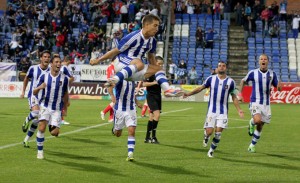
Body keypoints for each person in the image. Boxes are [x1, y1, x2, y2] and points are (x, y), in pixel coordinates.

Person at [90, 14, 182, 97]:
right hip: (121, 63)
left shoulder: (152, 41)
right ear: (146, 25)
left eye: (158, 26)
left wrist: (155, 71)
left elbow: (151, 57)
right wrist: (98, 60)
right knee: (140, 63)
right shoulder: (133, 37)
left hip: (134, 70)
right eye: (155, 25)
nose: (157, 29)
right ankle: (115, 79)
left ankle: (167, 90)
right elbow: (115, 51)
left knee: (158, 69)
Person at [183, 61, 244, 158]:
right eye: (219, 66)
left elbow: (234, 97)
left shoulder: (230, 82)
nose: (221, 67)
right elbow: (200, 88)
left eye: (223, 66)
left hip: (223, 112)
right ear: (217, 68)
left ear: (226, 68)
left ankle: (211, 151)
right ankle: (206, 136)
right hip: (212, 110)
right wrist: (188, 94)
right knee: (209, 132)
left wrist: (239, 109)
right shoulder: (211, 79)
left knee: (218, 133)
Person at [239, 54, 281, 153]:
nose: (263, 60)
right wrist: (240, 94)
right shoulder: (253, 73)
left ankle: (252, 145)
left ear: (268, 61)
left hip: (266, 104)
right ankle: (253, 122)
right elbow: (243, 81)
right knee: (258, 120)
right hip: (255, 102)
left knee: (260, 125)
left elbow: (278, 89)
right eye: (261, 59)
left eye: (265, 59)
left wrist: (279, 86)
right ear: (259, 62)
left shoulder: (272, 74)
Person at [33, 55, 70, 159]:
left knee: (54, 133)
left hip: (57, 109)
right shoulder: (44, 76)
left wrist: (65, 109)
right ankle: (40, 152)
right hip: (45, 106)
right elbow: (34, 91)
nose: (59, 64)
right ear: (51, 64)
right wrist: (40, 87)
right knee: (41, 128)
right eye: (56, 62)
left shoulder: (64, 78)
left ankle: (49, 122)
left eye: (60, 62)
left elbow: (66, 94)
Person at [20, 50, 51, 148]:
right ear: (41, 58)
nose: (46, 58)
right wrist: (23, 92)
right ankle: (26, 120)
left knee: (38, 121)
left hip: (44, 98)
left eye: (48, 57)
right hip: (33, 95)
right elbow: (26, 79)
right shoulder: (33, 68)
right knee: (36, 112)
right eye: (45, 56)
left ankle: (26, 140)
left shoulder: (51, 70)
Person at [110, 80, 142, 161]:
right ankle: (115, 128)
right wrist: (112, 96)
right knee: (118, 134)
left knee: (132, 131)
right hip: (119, 110)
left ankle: (130, 153)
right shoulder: (119, 78)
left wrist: (137, 102)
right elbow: (108, 85)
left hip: (131, 110)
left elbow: (131, 94)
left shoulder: (133, 79)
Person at [143, 56, 164, 144]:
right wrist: (154, 82)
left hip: (158, 95)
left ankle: (147, 138)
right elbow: (144, 84)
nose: (160, 65)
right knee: (157, 115)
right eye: (159, 64)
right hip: (151, 96)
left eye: (162, 64)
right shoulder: (150, 72)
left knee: (151, 117)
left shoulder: (161, 73)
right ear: (155, 63)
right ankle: (154, 137)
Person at [60, 55, 75, 125]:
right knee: (64, 103)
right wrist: (67, 82)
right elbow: (72, 78)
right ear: (68, 61)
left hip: (60, 87)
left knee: (66, 103)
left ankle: (60, 118)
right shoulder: (65, 67)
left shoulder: (60, 66)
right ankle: (61, 119)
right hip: (62, 88)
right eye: (70, 61)